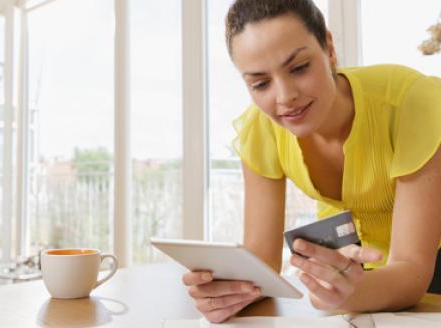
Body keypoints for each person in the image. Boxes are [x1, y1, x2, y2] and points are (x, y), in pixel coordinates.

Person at [182, 0, 441, 323]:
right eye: (260, 83)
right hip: (360, 275)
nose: (285, 96)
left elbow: (414, 271)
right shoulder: (261, 128)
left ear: (329, 48)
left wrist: (347, 293)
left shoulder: (410, 103)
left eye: (299, 67)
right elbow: (262, 260)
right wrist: (230, 292)